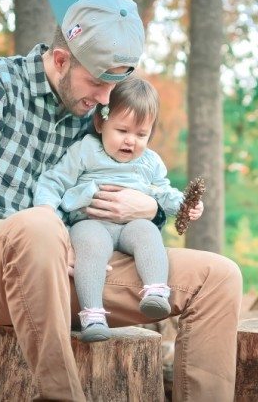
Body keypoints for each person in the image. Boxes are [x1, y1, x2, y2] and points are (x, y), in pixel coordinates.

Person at [0, 0, 242, 401]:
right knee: (39, 225)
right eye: (98, 82)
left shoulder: (96, 111)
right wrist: (26, 232)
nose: (106, 99)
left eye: (114, 84)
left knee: (218, 277)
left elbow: (137, 175)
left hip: (84, 272)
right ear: (61, 58)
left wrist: (150, 210)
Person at [33, 76, 204, 342]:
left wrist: (187, 204)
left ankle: (156, 292)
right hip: (90, 222)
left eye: (141, 134)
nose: (130, 141)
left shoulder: (149, 162)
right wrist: (47, 215)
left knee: (147, 232)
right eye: (122, 131)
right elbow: (53, 181)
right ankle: (92, 315)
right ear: (101, 123)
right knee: (91, 246)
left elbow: (163, 191)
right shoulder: (85, 151)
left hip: (129, 227)